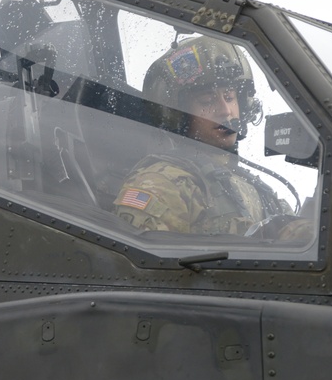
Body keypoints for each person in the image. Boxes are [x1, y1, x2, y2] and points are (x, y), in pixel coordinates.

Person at [114, 36, 304, 239]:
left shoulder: (251, 186)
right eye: (206, 100)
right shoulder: (162, 184)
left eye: (230, 97)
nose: (225, 111)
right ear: (179, 116)